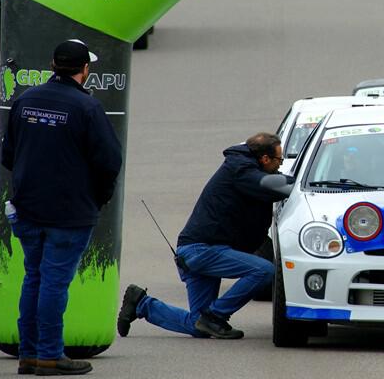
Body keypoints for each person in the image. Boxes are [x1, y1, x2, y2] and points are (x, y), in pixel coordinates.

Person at [1, 39, 123, 375]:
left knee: (34, 278)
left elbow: (8, 155)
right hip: (68, 214)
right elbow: (110, 161)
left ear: (53, 66)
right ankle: (51, 355)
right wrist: (99, 196)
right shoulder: (87, 108)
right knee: (54, 282)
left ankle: (28, 353)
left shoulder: (25, 100)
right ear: (85, 70)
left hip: (26, 207)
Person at [117, 133, 290, 340]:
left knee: (197, 326)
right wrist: (300, 183)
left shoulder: (242, 167)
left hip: (197, 250)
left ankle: (141, 304)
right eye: (279, 160)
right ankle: (216, 316)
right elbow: (269, 185)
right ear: (265, 159)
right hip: (202, 250)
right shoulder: (242, 171)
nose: (280, 165)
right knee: (264, 270)